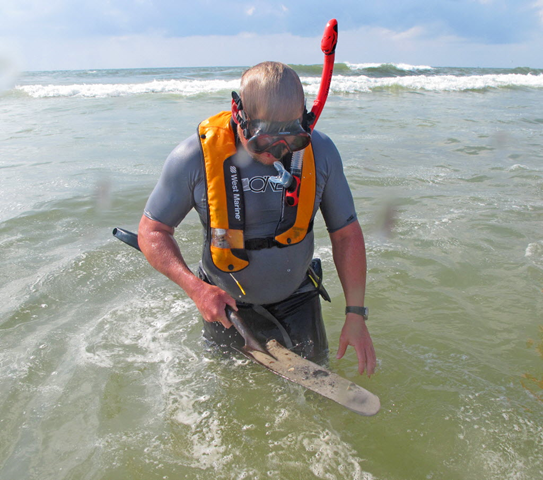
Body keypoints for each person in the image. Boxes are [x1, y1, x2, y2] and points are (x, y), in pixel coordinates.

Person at [138, 61, 376, 376]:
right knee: (231, 397)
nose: (276, 152)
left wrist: (355, 314)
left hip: (298, 298)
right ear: (239, 114)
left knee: (318, 397)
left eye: (290, 139)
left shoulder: (321, 152)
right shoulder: (193, 157)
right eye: (265, 139)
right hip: (225, 308)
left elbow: (346, 235)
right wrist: (196, 289)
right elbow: (152, 230)